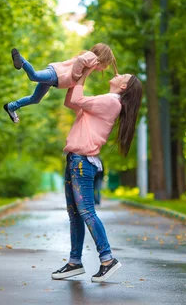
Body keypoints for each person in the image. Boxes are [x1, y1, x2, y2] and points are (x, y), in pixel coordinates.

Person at [51, 67, 142, 283]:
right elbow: (72, 101)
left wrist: (85, 71)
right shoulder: (105, 102)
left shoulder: (111, 102)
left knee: (86, 212)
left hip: (82, 162)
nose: (118, 73)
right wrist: (76, 75)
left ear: (123, 87)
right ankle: (75, 262)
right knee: (76, 213)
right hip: (75, 160)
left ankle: (107, 259)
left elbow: (79, 98)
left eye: (123, 76)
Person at [3, 43, 117, 123]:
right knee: (34, 76)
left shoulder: (88, 67)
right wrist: (77, 76)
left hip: (54, 79)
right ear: (104, 58)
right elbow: (80, 61)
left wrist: (78, 108)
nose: (104, 68)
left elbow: (70, 94)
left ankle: (11, 107)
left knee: (35, 99)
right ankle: (20, 59)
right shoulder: (93, 59)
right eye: (106, 65)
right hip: (56, 74)